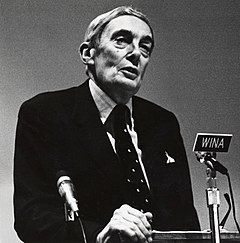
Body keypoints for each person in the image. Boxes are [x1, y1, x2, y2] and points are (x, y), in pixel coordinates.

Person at [13, 6, 200, 243]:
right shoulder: (45, 113)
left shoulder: (163, 123)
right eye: (122, 41)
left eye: (145, 47)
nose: (136, 54)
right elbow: (31, 217)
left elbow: (185, 219)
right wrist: (100, 235)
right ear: (88, 53)